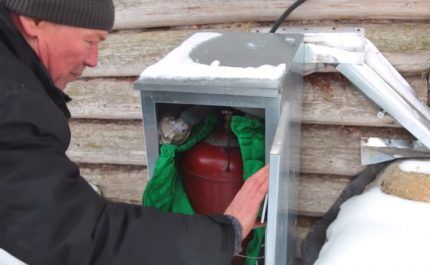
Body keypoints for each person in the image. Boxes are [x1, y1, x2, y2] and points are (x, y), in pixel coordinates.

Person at [0, 0, 269, 264]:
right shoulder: (10, 103)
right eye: (89, 41)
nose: (93, 60)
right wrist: (226, 232)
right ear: (34, 21)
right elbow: (84, 238)